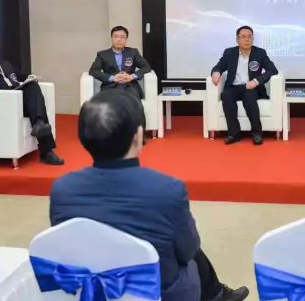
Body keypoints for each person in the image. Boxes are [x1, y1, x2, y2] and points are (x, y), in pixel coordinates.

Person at [49, 90, 249, 301]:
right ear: (137, 137)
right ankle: (217, 295)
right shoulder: (168, 190)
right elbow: (187, 250)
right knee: (190, 251)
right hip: (160, 293)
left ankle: (218, 295)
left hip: (92, 291)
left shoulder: (62, 190)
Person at [0, 31, 64, 165]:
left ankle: (41, 132)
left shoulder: (5, 64)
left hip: (18, 100)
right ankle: (45, 148)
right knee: (37, 110)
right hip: (1, 103)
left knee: (32, 87)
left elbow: (20, 75)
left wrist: (30, 77)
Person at [210, 26, 278, 145]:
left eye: (249, 37)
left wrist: (256, 81)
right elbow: (219, 66)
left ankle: (257, 133)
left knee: (249, 96)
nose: (247, 40)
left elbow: (272, 70)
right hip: (234, 87)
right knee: (226, 95)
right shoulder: (229, 53)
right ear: (237, 39)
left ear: (252, 39)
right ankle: (234, 134)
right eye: (243, 37)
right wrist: (216, 73)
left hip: (252, 87)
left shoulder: (260, 53)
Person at [89, 26, 152, 143]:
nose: (119, 39)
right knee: (110, 105)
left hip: (129, 86)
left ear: (126, 39)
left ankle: (139, 135)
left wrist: (132, 76)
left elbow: (146, 67)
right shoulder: (103, 54)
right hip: (111, 86)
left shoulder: (133, 52)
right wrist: (112, 78)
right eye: (116, 36)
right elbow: (93, 71)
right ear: (111, 38)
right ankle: (110, 135)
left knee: (136, 104)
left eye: (122, 37)